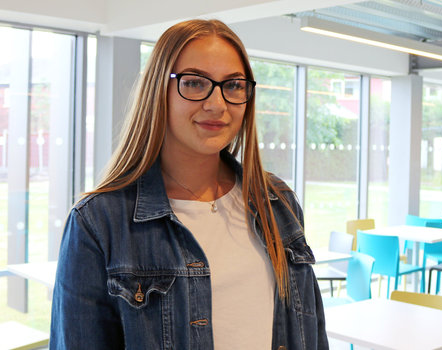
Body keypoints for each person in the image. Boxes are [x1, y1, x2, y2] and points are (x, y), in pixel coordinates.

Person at [50, 19, 328, 349]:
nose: (217, 104)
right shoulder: (99, 222)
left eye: (234, 85)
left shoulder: (277, 201)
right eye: (195, 83)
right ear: (158, 90)